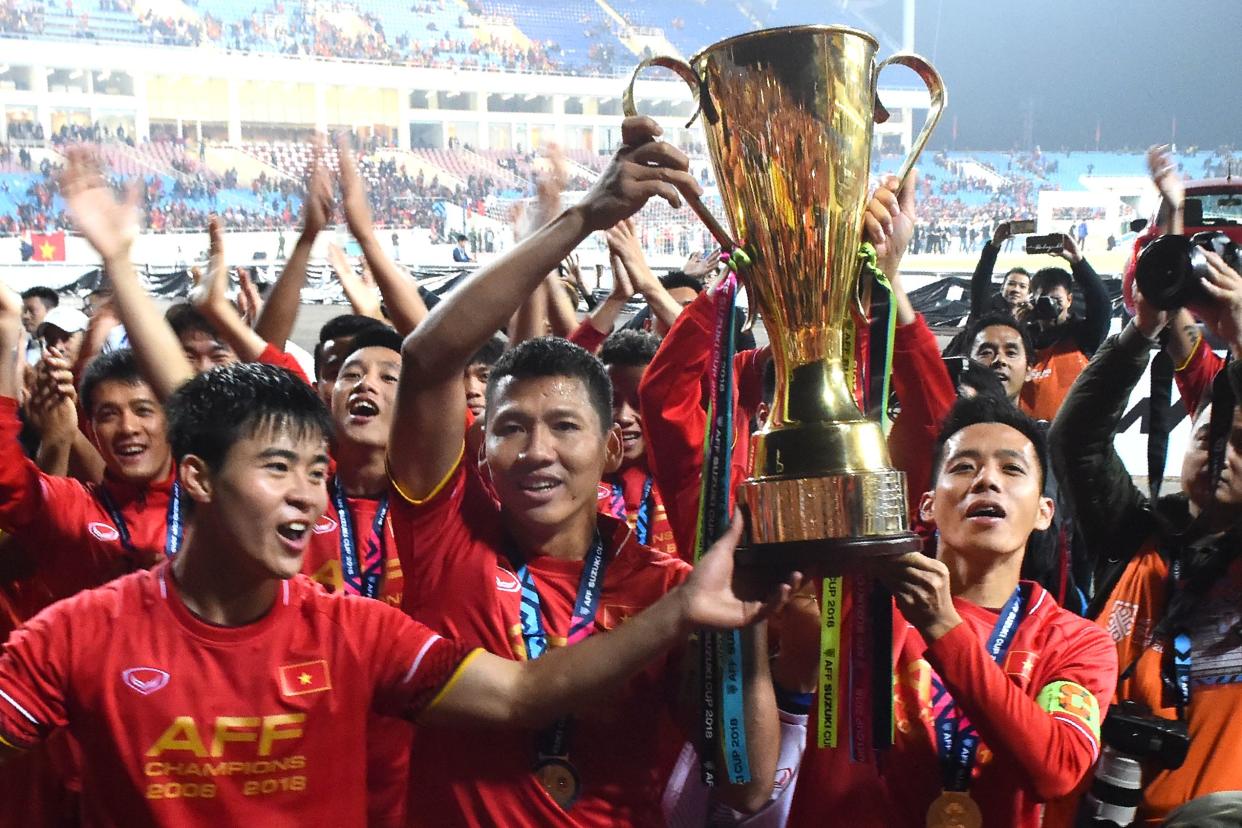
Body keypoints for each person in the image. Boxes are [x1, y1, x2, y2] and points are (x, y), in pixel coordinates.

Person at [0, 363, 795, 826]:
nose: (309, 499)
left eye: (318, 473)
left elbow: (522, 695)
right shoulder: (76, 634)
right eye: (278, 469)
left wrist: (684, 610)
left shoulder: (359, 633)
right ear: (200, 478)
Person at [387, 115, 784, 824]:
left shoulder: (663, 587)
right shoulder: (446, 532)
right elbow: (425, 360)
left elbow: (746, 785)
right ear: (480, 451)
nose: (537, 449)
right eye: (511, 428)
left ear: (610, 449)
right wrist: (583, 217)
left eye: (565, 426)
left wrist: (745, 622)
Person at [787, 395, 1117, 827]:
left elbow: (1056, 770)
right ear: (926, 505)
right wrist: (904, 328)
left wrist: (943, 626)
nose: (986, 480)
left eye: (1012, 468)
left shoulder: (1076, 641)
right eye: (963, 466)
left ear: (1043, 512)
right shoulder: (865, 602)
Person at [1049, 256, 1242, 825]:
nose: (1220, 456)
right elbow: (1075, 440)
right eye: (1209, 436)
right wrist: (1142, 328)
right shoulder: (1139, 536)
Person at [597, 330, 677, 557]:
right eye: (612, 401)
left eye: (640, 402)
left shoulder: (688, 480)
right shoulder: (578, 483)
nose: (623, 416)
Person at [1021, 233, 1111, 421]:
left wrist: (1078, 262)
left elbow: (1101, 303)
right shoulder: (1021, 338)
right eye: (1043, 299)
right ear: (1033, 299)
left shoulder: (1084, 335)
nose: (1049, 305)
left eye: (1056, 300)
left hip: (1071, 439)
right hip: (1027, 438)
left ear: (1070, 300)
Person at [19, 286, 59, 366]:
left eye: (31, 310)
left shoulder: (63, 348)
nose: (25, 316)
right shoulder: (18, 348)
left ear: (51, 311)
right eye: (23, 311)